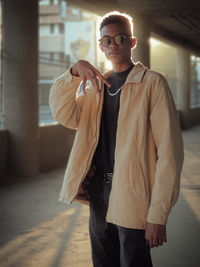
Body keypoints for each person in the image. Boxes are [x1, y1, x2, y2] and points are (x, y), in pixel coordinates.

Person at [49, 11, 184, 267]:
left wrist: (158, 213)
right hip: (99, 192)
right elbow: (64, 113)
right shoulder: (95, 87)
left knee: (134, 261)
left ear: (132, 42)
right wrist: (74, 72)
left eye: (120, 39)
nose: (113, 45)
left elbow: (170, 154)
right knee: (102, 262)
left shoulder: (152, 84)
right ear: (100, 45)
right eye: (106, 40)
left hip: (133, 194)